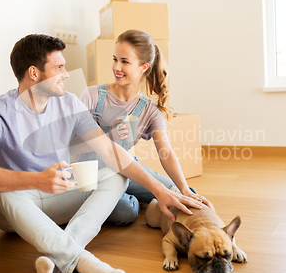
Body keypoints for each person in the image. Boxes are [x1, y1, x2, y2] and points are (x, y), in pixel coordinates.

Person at [0, 34, 204, 273]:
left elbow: (111, 152)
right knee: (2, 193)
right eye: (58, 68)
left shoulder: (69, 103)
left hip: (59, 195)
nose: (66, 74)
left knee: (115, 175)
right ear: (34, 73)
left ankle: (58, 256)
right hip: (17, 205)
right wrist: (36, 180)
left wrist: (160, 191)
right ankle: (87, 265)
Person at [78, 30, 214, 225]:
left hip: (129, 169)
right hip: (94, 175)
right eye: (115, 59)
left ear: (144, 67)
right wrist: (110, 136)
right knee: (127, 212)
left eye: (125, 61)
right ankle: (136, 198)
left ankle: (205, 226)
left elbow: (165, 151)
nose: (117, 67)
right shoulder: (92, 95)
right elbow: (73, 144)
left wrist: (183, 188)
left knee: (182, 193)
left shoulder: (150, 111)